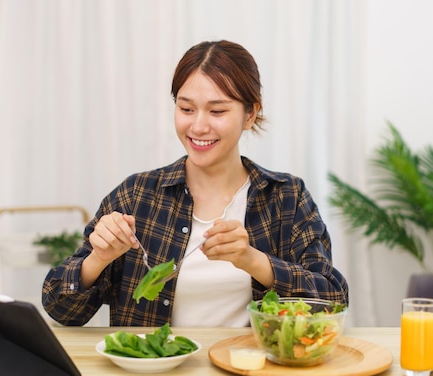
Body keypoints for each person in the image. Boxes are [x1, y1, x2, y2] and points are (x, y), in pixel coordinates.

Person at [42, 40, 348, 327]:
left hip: (250, 375)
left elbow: (332, 301)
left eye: (217, 111)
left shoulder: (286, 197)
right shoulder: (137, 195)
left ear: (250, 113)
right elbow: (61, 308)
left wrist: (253, 260)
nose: (198, 126)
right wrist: (99, 258)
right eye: (186, 109)